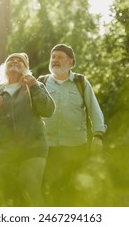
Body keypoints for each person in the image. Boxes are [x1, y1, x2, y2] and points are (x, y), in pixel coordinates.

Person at [0, 52, 55, 206]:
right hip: (7, 151)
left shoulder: (35, 85)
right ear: (4, 68)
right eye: (10, 60)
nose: (14, 62)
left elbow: (48, 110)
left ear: (26, 69)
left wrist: (34, 86)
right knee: (10, 196)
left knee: (30, 190)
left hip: (33, 148)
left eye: (19, 61)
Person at [40, 44, 107, 205]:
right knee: (46, 191)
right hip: (46, 147)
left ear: (71, 62)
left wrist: (98, 135)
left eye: (60, 57)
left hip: (75, 146)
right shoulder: (41, 83)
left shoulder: (81, 82)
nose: (55, 60)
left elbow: (94, 109)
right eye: (53, 56)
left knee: (72, 192)